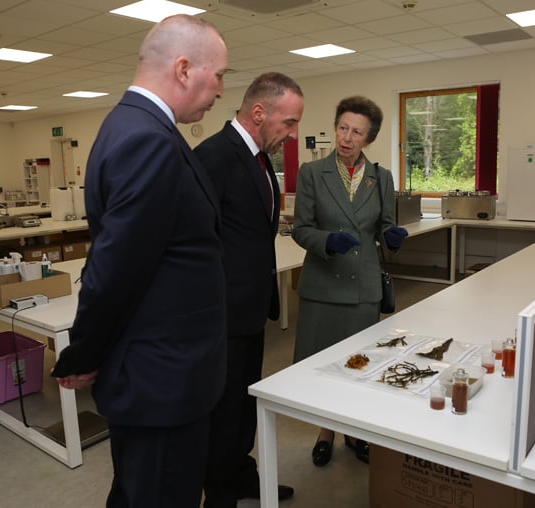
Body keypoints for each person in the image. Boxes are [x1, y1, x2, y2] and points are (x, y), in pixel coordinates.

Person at [50, 14, 229, 508]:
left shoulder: (137, 126)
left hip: (165, 372)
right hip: (163, 377)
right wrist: (83, 355)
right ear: (184, 68)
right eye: (219, 76)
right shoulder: (146, 138)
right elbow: (115, 268)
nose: (219, 91)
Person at [194, 72, 304, 507]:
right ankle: (219, 494)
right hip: (221, 315)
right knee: (222, 413)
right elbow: (196, 243)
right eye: (289, 123)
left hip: (251, 307)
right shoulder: (213, 157)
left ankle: (241, 476)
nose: (292, 135)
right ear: (259, 112)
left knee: (243, 406)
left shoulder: (258, 159)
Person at [291, 96, 408, 467]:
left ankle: (355, 432)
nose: (346, 137)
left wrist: (391, 236)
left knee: (359, 365)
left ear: (368, 138)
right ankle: (325, 431)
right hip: (323, 286)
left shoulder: (381, 177)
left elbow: (384, 224)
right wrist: (326, 241)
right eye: (343, 127)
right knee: (323, 367)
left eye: (356, 131)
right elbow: (300, 229)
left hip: (363, 287)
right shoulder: (312, 173)